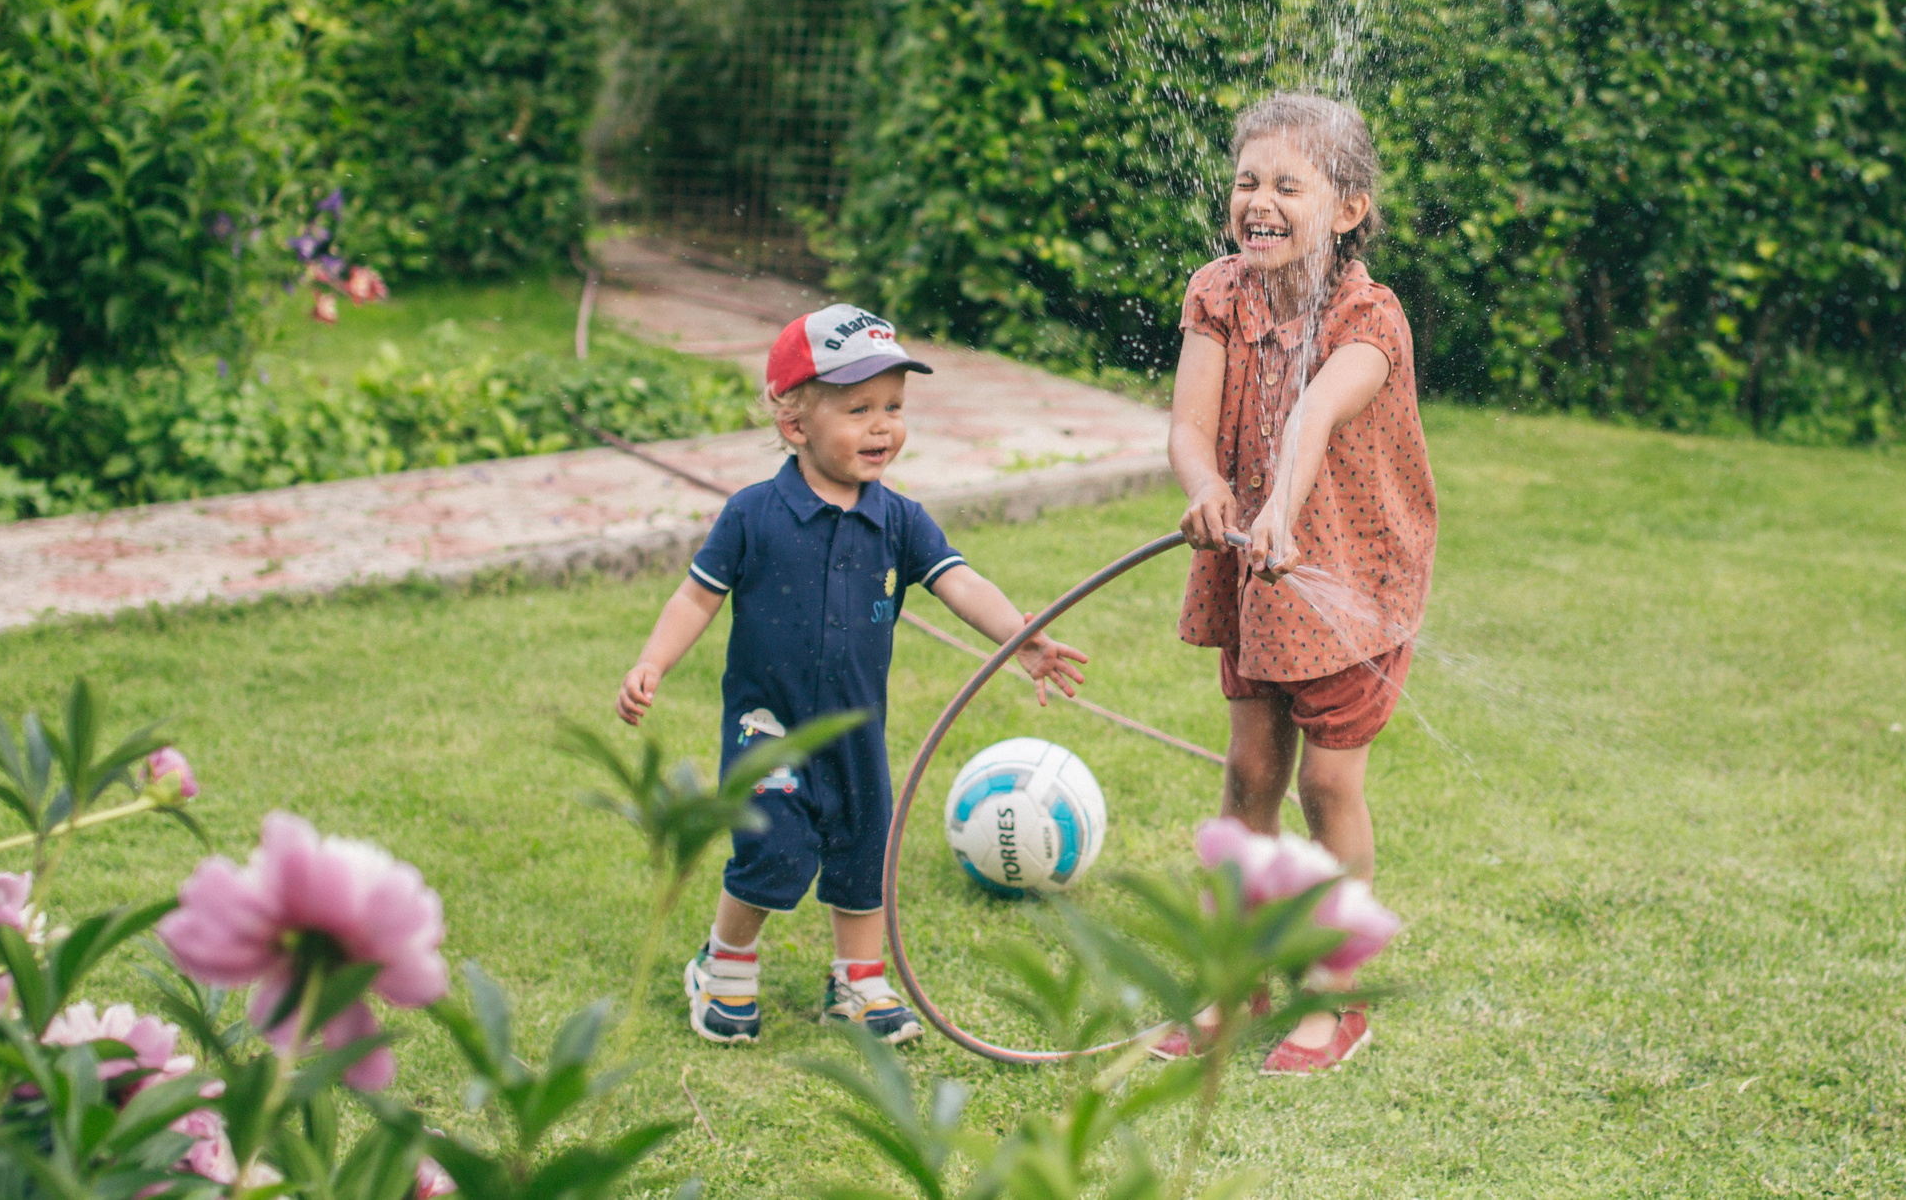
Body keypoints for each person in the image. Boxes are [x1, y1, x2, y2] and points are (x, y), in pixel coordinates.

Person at [615, 303, 1088, 1046]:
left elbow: (959, 580)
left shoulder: (898, 518)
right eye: (859, 407)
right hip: (766, 726)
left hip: (856, 724)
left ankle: (858, 981)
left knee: (866, 843)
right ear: (794, 421)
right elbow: (696, 594)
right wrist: (652, 661)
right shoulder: (753, 514)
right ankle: (726, 962)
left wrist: (1021, 635)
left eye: (894, 407)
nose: (882, 426)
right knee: (771, 844)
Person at [1159, 92, 1436, 1074]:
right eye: (1247, 181)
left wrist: (1278, 500)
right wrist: (1205, 489)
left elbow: (1317, 411)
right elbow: (1190, 425)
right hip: (1253, 566)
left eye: (1288, 184)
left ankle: (1334, 993)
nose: (1261, 201)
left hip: (1350, 575)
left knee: (1326, 782)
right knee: (1248, 775)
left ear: (1348, 208)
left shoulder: (1369, 313)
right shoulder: (1217, 293)